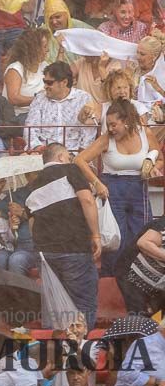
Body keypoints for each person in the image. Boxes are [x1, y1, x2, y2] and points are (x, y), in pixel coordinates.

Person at [75, 97, 158, 276]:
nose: (110, 128)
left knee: (142, 233)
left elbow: (159, 156)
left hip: (139, 185)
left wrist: (153, 167)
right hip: (112, 186)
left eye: (113, 124)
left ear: (127, 121)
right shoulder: (107, 138)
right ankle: (111, 280)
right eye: (108, 124)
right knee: (115, 236)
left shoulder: (145, 133)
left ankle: (139, 278)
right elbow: (79, 159)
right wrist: (96, 182)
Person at [26, 142, 102, 329]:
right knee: (83, 304)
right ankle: (81, 351)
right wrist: (96, 235)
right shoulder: (71, 169)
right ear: (61, 157)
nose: (69, 159)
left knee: (55, 308)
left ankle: (56, 353)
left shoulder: (33, 185)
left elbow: (31, 223)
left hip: (45, 252)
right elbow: (87, 200)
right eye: (68, 156)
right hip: (74, 247)